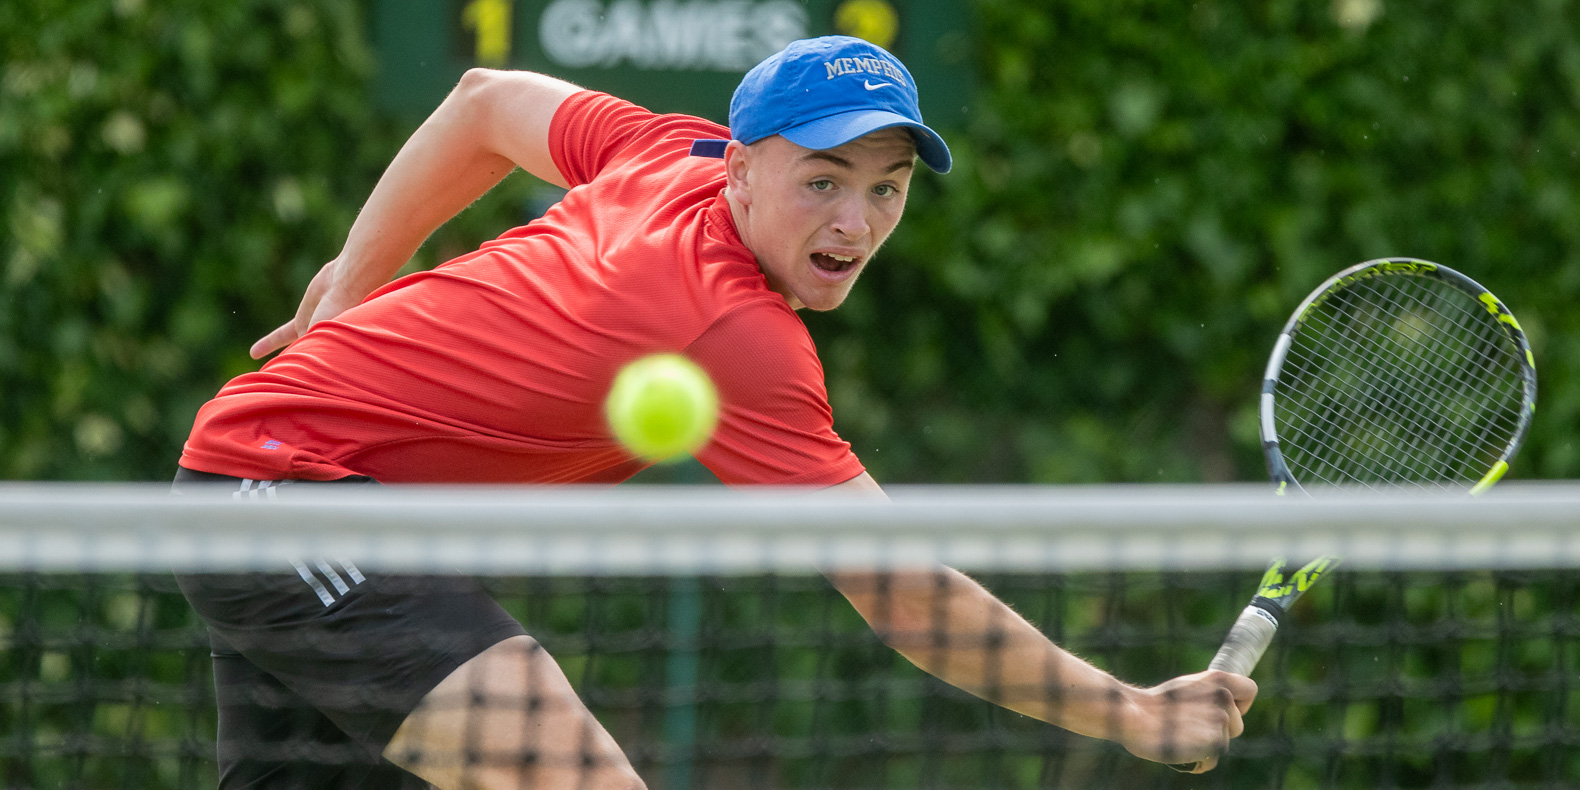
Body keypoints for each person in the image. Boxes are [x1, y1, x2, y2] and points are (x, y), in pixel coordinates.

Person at [174, 35, 1256, 790]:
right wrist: (1129, 712)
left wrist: (355, 279)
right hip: (289, 494)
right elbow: (908, 598)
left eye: (886, 188)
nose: (856, 220)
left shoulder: (666, 151)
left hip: (299, 492)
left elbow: (483, 105)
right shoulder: (738, 338)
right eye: (822, 180)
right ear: (739, 168)